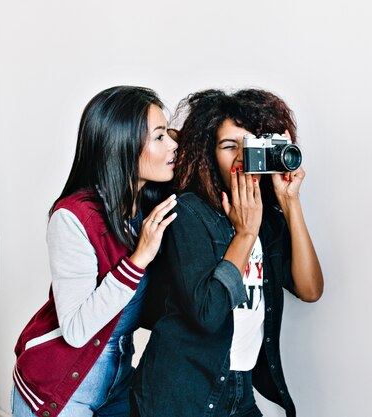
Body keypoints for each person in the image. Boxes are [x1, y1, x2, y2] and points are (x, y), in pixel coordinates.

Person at [132, 88, 324, 417]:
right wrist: (245, 233)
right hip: (180, 393)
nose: (240, 156)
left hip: (239, 389)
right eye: (229, 145)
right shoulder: (190, 212)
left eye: (251, 145)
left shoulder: (267, 220)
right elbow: (207, 314)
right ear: (207, 153)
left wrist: (290, 202)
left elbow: (310, 289)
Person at [12, 86, 179, 417]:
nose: (173, 144)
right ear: (123, 145)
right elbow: (75, 330)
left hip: (117, 378)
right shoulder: (72, 218)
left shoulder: (146, 208)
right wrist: (139, 258)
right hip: (61, 386)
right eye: (159, 137)